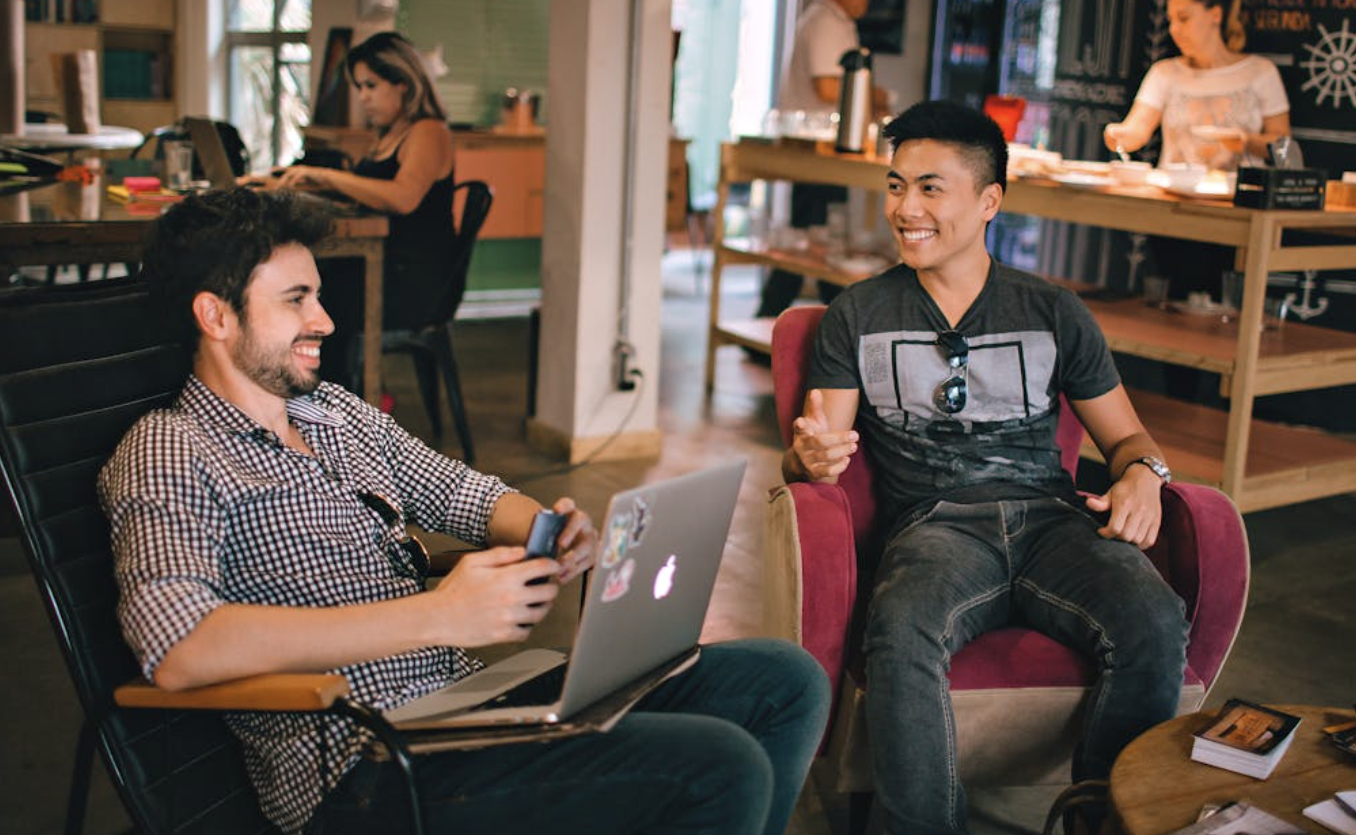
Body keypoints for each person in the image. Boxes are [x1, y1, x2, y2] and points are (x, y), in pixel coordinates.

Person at [99, 187, 830, 835]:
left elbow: (460, 492)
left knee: (783, 679)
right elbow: (179, 646)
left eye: (317, 295)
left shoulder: (332, 414)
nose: (324, 318)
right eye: (296, 299)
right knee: (718, 765)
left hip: (464, 708)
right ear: (215, 315)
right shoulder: (170, 447)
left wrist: (548, 529)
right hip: (363, 767)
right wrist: (437, 616)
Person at [782, 101, 1188, 835]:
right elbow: (820, 446)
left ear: (989, 200)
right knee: (902, 624)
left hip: (1054, 522)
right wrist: (806, 456)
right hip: (935, 527)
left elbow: (1128, 437)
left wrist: (1143, 473)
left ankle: (1102, 820)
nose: (906, 209)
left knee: (1153, 618)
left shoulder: (1054, 310)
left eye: (930, 188)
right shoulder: (858, 313)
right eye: (896, 185)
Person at [248, 31, 458, 388]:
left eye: (371, 86)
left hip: (413, 280)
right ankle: (308, 397)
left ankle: (331, 403)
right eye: (360, 87)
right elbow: (369, 193)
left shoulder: (429, 132)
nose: (363, 98)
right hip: (385, 264)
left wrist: (325, 176)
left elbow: (402, 196)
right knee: (302, 288)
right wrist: (295, 182)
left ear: (404, 84)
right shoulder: (390, 133)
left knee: (313, 299)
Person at [1103, 0, 1291, 301]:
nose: (1175, 30)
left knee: (1226, 307)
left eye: (1184, 19)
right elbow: (1136, 131)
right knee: (1169, 305)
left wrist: (1244, 140)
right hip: (1174, 209)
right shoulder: (1164, 73)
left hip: (1237, 211)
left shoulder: (1259, 72)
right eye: (1171, 21)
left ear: (1215, 14)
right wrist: (1117, 135)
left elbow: (1283, 146)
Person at [755, 0, 889, 321]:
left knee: (822, 240)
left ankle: (831, 325)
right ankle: (777, 325)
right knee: (814, 241)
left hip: (828, 149)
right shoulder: (825, 21)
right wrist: (875, 94)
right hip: (817, 150)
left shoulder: (838, 21)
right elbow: (827, 85)